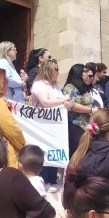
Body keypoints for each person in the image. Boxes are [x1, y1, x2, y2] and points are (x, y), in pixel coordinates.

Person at [31, 59, 69, 190]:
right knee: (43, 150)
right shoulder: (39, 85)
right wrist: (63, 100)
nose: (58, 72)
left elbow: (61, 101)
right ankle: (45, 180)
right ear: (48, 70)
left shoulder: (57, 85)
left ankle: (53, 179)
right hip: (42, 124)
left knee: (54, 150)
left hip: (56, 125)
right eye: (56, 69)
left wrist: (65, 102)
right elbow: (45, 102)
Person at [64, 63, 99, 157]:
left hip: (91, 124)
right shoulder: (69, 87)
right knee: (79, 153)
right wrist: (91, 110)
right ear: (78, 72)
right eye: (85, 71)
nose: (88, 74)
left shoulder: (85, 88)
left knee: (94, 150)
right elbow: (72, 105)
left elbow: (91, 103)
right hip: (77, 125)